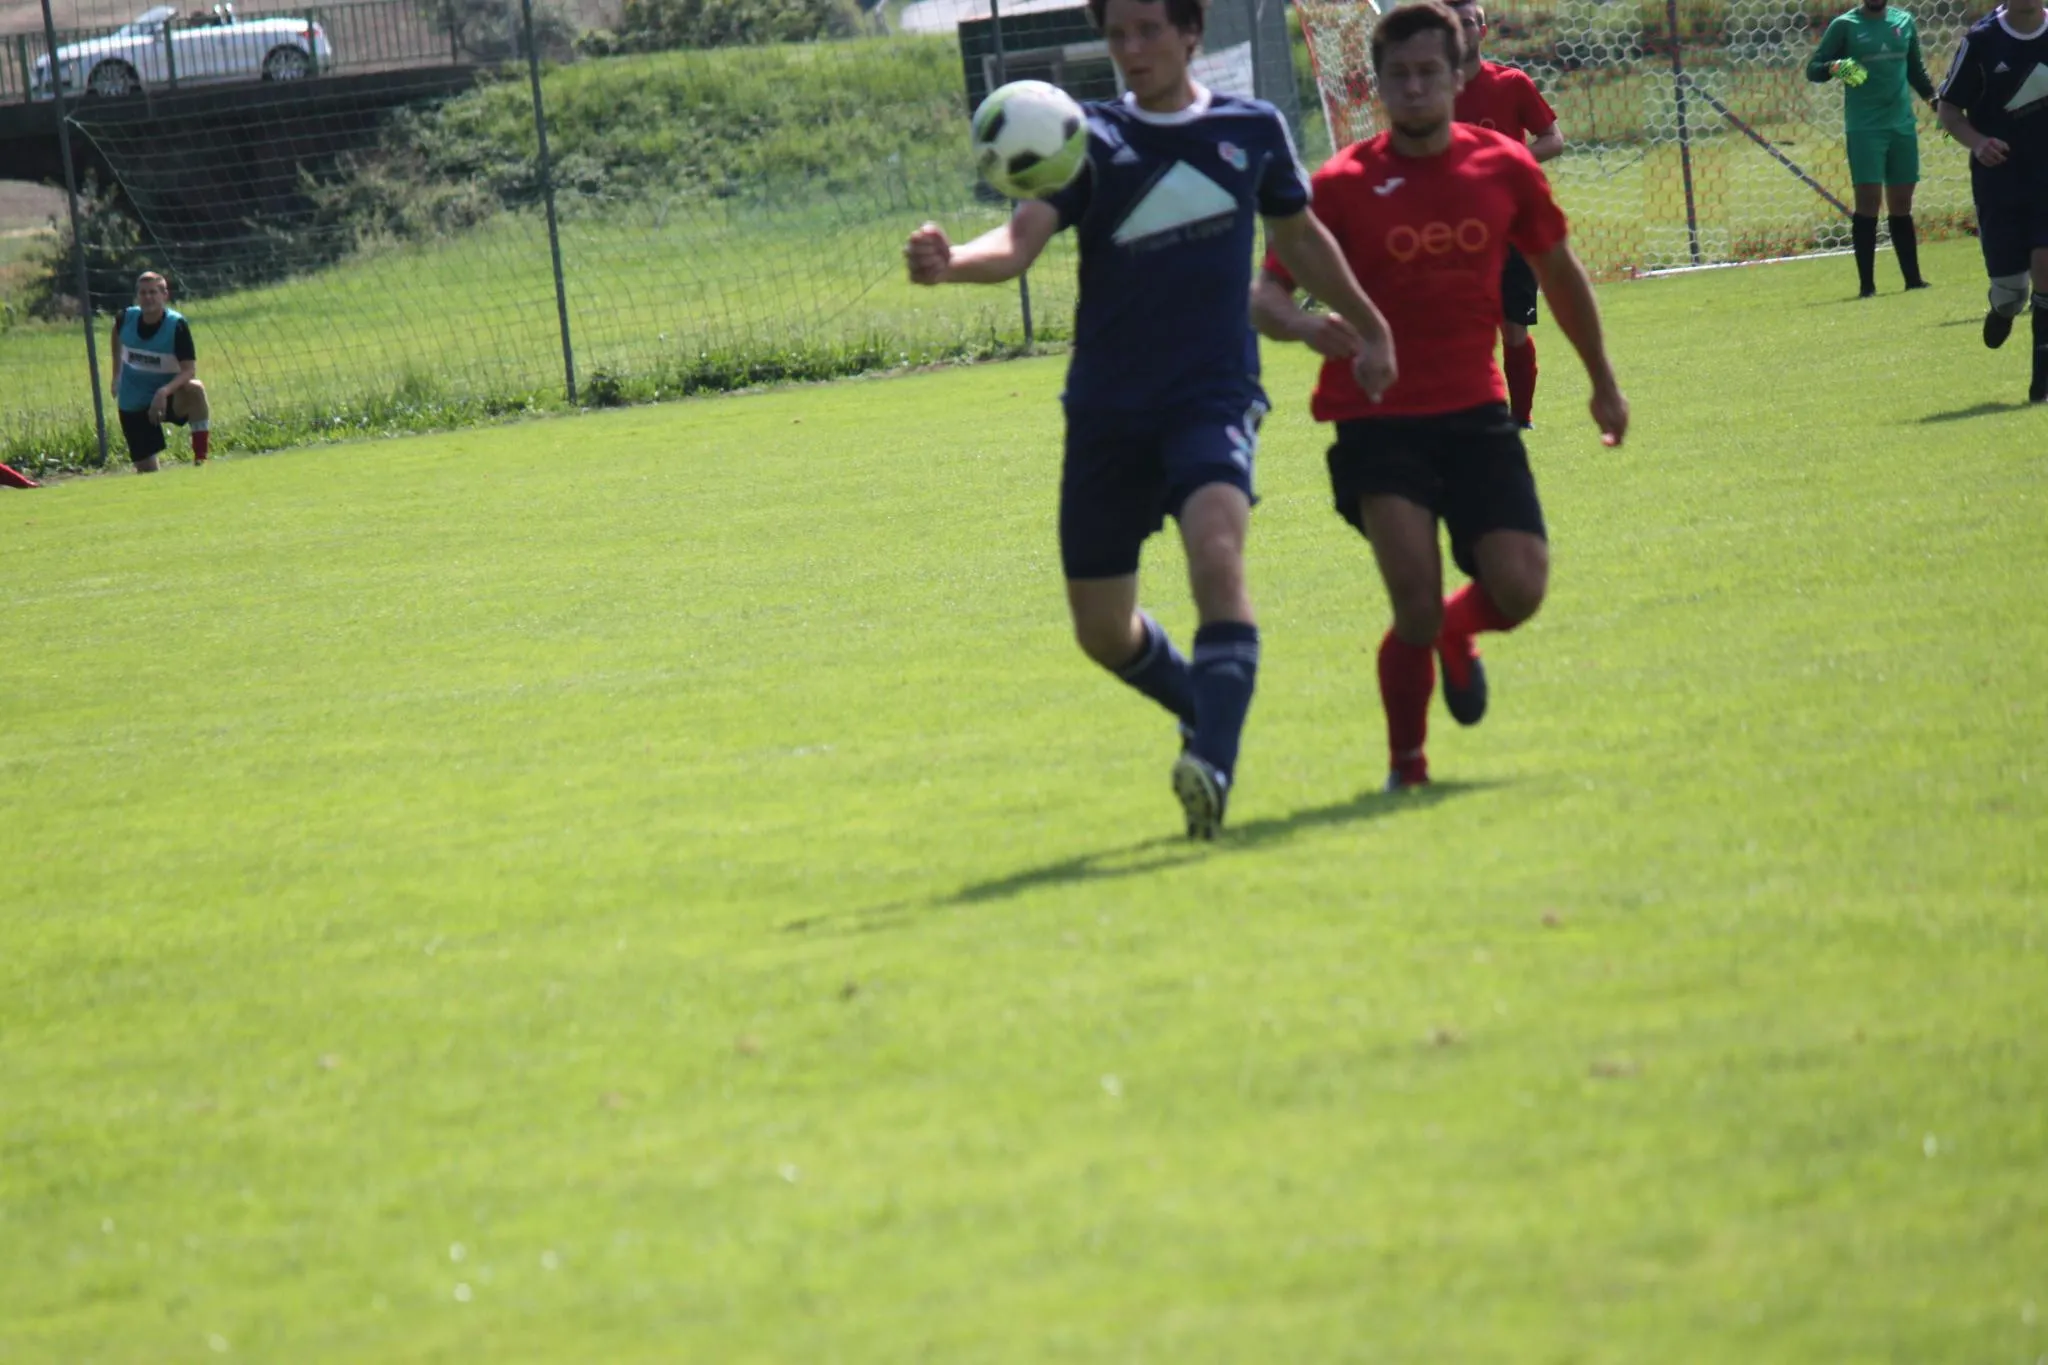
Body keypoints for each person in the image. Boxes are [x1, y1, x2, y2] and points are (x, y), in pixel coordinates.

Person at [904, 0, 1396, 838]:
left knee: (1217, 555)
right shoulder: (1088, 139)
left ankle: (1213, 766)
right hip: (1107, 410)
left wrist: (1369, 324)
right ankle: (1204, 705)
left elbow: (1302, 238)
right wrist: (950, 263)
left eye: (1148, 31)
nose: (1131, 49)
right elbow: (1017, 243)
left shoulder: (1251, 129)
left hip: (1212, 395)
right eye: (1117, 35)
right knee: (1102, 630)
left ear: (1190, 33)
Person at [1250, 0, 1627, 793]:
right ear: (1378, 84)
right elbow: (1266, 293)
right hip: (1376, 420)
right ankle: (1407, 767)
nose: (1415, 87)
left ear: (1459, 76)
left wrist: (1602, 380)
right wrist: (1310, 328)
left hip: (1475, 413)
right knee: (1413, 603)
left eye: (1430, 72)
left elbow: (1560, 274)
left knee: (1520, 586)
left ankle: (1459, 633)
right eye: (1400, 75)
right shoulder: (1340, 185)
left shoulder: (1504, 167)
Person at [1445, 0, 1565, 429]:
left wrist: (1506, 163)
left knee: (1513, 328)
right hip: (1451, 232)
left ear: (1482, 31)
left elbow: (1552, 139)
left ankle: (1520, 419)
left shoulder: (1511, 83)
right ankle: (1469, 418)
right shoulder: (1430, 92)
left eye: (1467, 23)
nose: (1459, 31)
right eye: (1450, 24)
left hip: (1512, 227)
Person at [1936, 0, 2048, 401]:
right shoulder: (1981, 41)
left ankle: (2041, 385)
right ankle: (2003, 309)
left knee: (2046, 266)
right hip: (2000, 181)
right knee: (2011, 292)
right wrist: (1979, 143)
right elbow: (1948, 110)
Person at [1807, 0, 1938, 297]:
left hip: (1902, 125)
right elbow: (1812, 69)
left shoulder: (1903, 22)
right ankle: (1867, 286)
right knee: (1868, 200)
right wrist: (1833, 67)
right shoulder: (1845, 25)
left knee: (1902, 202)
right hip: (1865, 127)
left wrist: (1935, 102)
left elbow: (1915, 70)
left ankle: (1913, 280)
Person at [110, 271, 212, 472]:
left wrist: (163, 392)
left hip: (168, 398)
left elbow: (189, 370)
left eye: (153, 292)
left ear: (165, 295)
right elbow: (116, 335)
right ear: (137, 296)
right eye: (143, 293)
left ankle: (201, 459)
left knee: (195, 389)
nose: (148, 297)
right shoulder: (125, 318)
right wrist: (116, 375)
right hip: (134, 401)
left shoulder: (176, 325)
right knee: (147, 471)